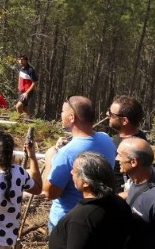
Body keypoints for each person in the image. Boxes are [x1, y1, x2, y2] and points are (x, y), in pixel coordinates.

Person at [43, 96, 117, 230]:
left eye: (62, 111)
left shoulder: (66, 154)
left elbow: (50, 193)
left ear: (72, 117)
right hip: (97, 216)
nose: (61, 114)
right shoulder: (106, 139)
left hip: (67, 222)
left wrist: (50, 159)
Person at [47, 151, 132, 249]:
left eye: (74, 170)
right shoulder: (119, 202)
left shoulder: (81, 220)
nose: (71, 172)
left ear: (86, 182)